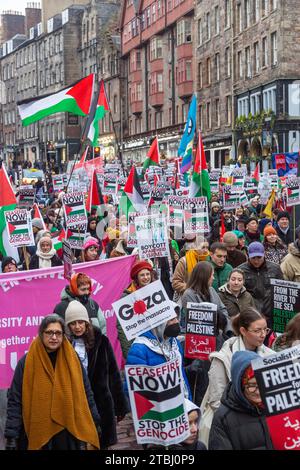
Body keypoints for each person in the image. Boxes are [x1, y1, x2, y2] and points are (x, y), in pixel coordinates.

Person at [4, 315, 100, 450]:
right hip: (39, 432)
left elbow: (85, 391)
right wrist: (11, 436)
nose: (54, 337)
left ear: (63, 335)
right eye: (49, 332)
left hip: (69, 432)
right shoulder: (26, 362)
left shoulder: (72, 359)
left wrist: (95, 420)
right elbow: (15, 399)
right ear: (41, 334)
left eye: (58, 333)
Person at [65, 301, 129, 448]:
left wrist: (120, 406)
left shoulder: (101, 341)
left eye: (81, 322)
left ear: (87, 322)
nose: (77, 327)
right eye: (73, 323)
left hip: (101, 402)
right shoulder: (65, 345)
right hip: (76, 402)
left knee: (100, 442)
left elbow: (113, 374)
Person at [202, 308, 272, 414]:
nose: (263, 335)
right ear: (243, 331)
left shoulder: (271, 355)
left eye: (265, 329)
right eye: (257, 331)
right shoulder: (223, 358)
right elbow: (216, 400)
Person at [208, 351, 273, 450]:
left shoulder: (275, 406)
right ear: (240, 385)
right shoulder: (223, 418)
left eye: (262, 382)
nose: (259, 391)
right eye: (252, 385)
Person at [126, 315, 191, 400]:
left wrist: (189, 399)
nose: (177, 322)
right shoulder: (139, 349)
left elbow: (181, 374)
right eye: (171, 319)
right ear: (159, 322)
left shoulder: (175, 343)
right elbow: (133, 389)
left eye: (176, 318)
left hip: (182, 402)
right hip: (158, 409)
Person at [239, 242, 283, 327]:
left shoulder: (275, 268)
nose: (256, 261)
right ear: (248, 255)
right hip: (251, 314)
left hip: (272, 314)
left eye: (259, 257)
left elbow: (281, 291)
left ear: (264, 254)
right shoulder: (240, 270)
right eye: (253, 258)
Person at [117, 260, 156, 359]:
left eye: (148, 274)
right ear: (136, 278)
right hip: (138, 345)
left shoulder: (156, 291)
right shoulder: (126, 297)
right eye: (142, 275)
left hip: (156, 343)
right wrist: (129, 353)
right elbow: (122, 328)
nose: (146, 277)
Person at [181, 261, 232, 335]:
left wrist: (228, 329)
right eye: (212, 275)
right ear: (204, 276)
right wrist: (216, 316)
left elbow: (223, 309)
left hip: (219, 333)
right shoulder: (188, 294)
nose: (213, 278)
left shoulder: (211, 290)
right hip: (201, 337)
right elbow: (196, 320)